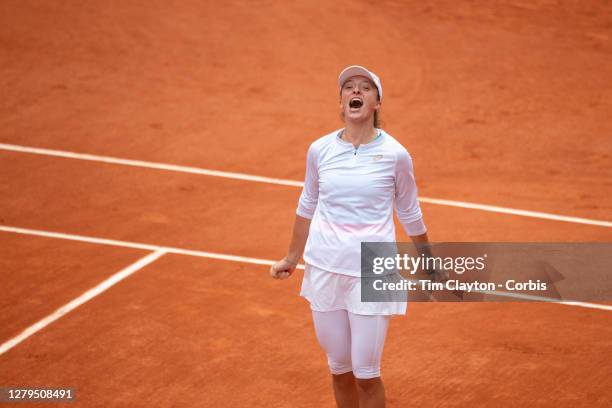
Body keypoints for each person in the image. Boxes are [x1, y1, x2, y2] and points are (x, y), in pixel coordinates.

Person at [270, 65, 431, 408]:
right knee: (339, 368)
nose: (355, 91)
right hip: (325, 267)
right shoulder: (319, 150)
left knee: (366, 373)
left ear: (376, 103)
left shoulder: (395, 155)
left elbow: (409, 211)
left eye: (365, 88)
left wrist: (427, 258)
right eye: (349, 88)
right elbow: (307, 203)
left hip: (371, 270)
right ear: (341, 103)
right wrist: (291, 258)